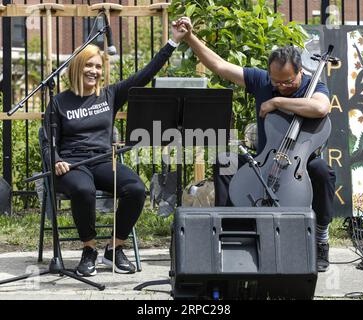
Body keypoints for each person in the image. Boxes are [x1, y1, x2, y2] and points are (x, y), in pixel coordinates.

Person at [176, 17, 336, 272]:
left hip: (300, 161)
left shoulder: (313, 86)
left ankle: (320, 236)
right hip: (265, 157)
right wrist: (190, 38)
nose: (281, 87)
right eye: (276, 82)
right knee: (225, 162)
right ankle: (229, 229)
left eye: (287, 82)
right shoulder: (263, 81)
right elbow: (220, 66)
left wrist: (277, 102)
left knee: (323, 172)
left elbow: (320, 107)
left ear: (300, 72)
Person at [42, 22, 188, 277]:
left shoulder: (110, 94)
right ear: (77, 67)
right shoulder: (59, 101)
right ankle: (89, 250)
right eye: (89, 65)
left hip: (102, 161)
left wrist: (173, 42)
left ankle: (115, 247)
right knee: (83, 190)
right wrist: (56, 160)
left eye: (98, 67)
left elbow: (144, 75)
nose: (94, 71)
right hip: (72, 164)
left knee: (136, 189)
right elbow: (48, 142)